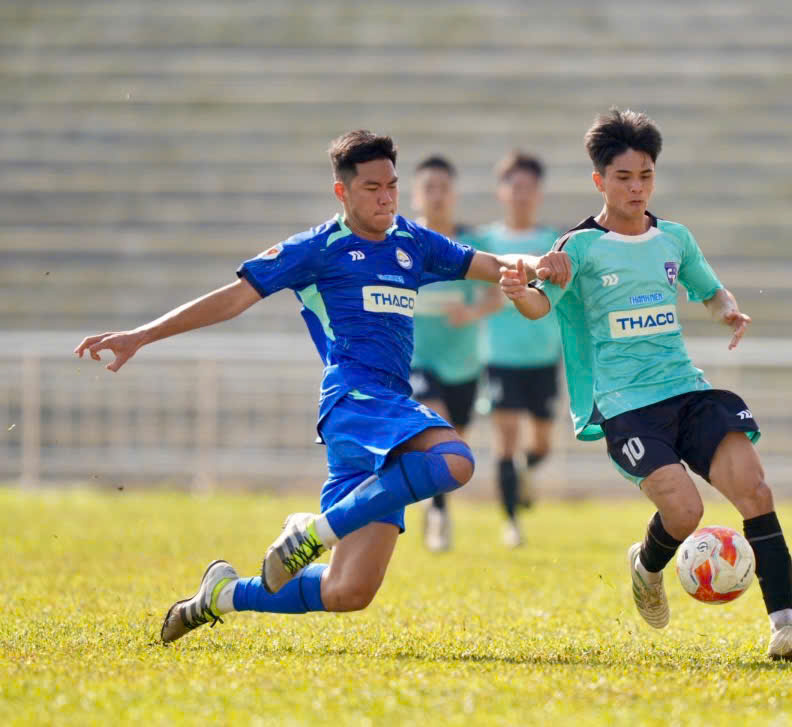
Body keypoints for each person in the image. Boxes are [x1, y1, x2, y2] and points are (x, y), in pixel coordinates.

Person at [74, 130, 570, 644]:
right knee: (456, 461)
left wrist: (545, 265)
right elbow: (233, 298)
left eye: (392, 186)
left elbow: (493, 267)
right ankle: (314, 531)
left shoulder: (412, 242)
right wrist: (143, 334)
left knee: (347, 591)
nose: (385, 197)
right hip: (353, 401)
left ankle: (222, 594)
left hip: (387, 414)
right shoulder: (318, 248)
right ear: (342, 193)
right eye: (372, 187)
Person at [498, 109, 792, 661]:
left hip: (685, 389)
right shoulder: (576, 248)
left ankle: (786, 626)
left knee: (755, 489)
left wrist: (729, 312)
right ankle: (647, 567)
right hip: (626, 405)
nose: (636, 187)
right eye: (623, 177)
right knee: (685, 512)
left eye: (645, 175)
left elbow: (709, 288)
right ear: (599, 180)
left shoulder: (673, 238)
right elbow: (537, 306)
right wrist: (518, 289)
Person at [409, 155, 499, 551]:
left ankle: (436, 501)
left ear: (454, 194)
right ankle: (439, 513)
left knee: (455, 444)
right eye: (429, 188)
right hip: (417, 362)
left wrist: (472, 311)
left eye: (443, 188)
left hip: (463, 364)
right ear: (415, 195)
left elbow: (497, 295)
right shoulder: (404, 243)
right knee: (437, 426)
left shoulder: (472, 246)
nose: (436, 196)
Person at [474, 151, 562, 547]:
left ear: (538, 193)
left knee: (541, 442)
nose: (520, 194)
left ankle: (526, 473)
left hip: (543, 356)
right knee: (506, 440)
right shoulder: (486, 242)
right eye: (513, 185)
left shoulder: (551, 243)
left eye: (528, 187)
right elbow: (476, 291)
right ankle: (511, 523)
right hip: (500, 358)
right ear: (501, 191)